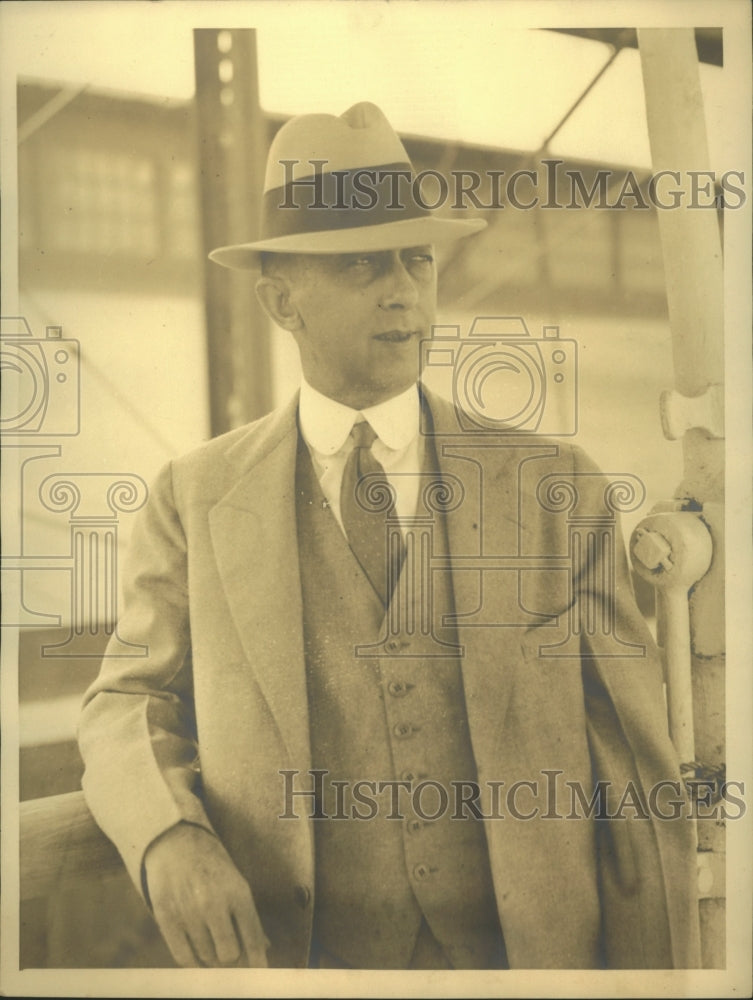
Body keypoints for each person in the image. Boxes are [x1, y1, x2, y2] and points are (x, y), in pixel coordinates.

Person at [78, 101, 701, 970]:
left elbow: (635, 774)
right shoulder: (195, 497)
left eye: (416, 260)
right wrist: (166, 836)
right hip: (306, 966)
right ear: (279, 299)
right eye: (361, 265)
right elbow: (123, 700)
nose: (402, 290)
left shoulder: (556, 488)